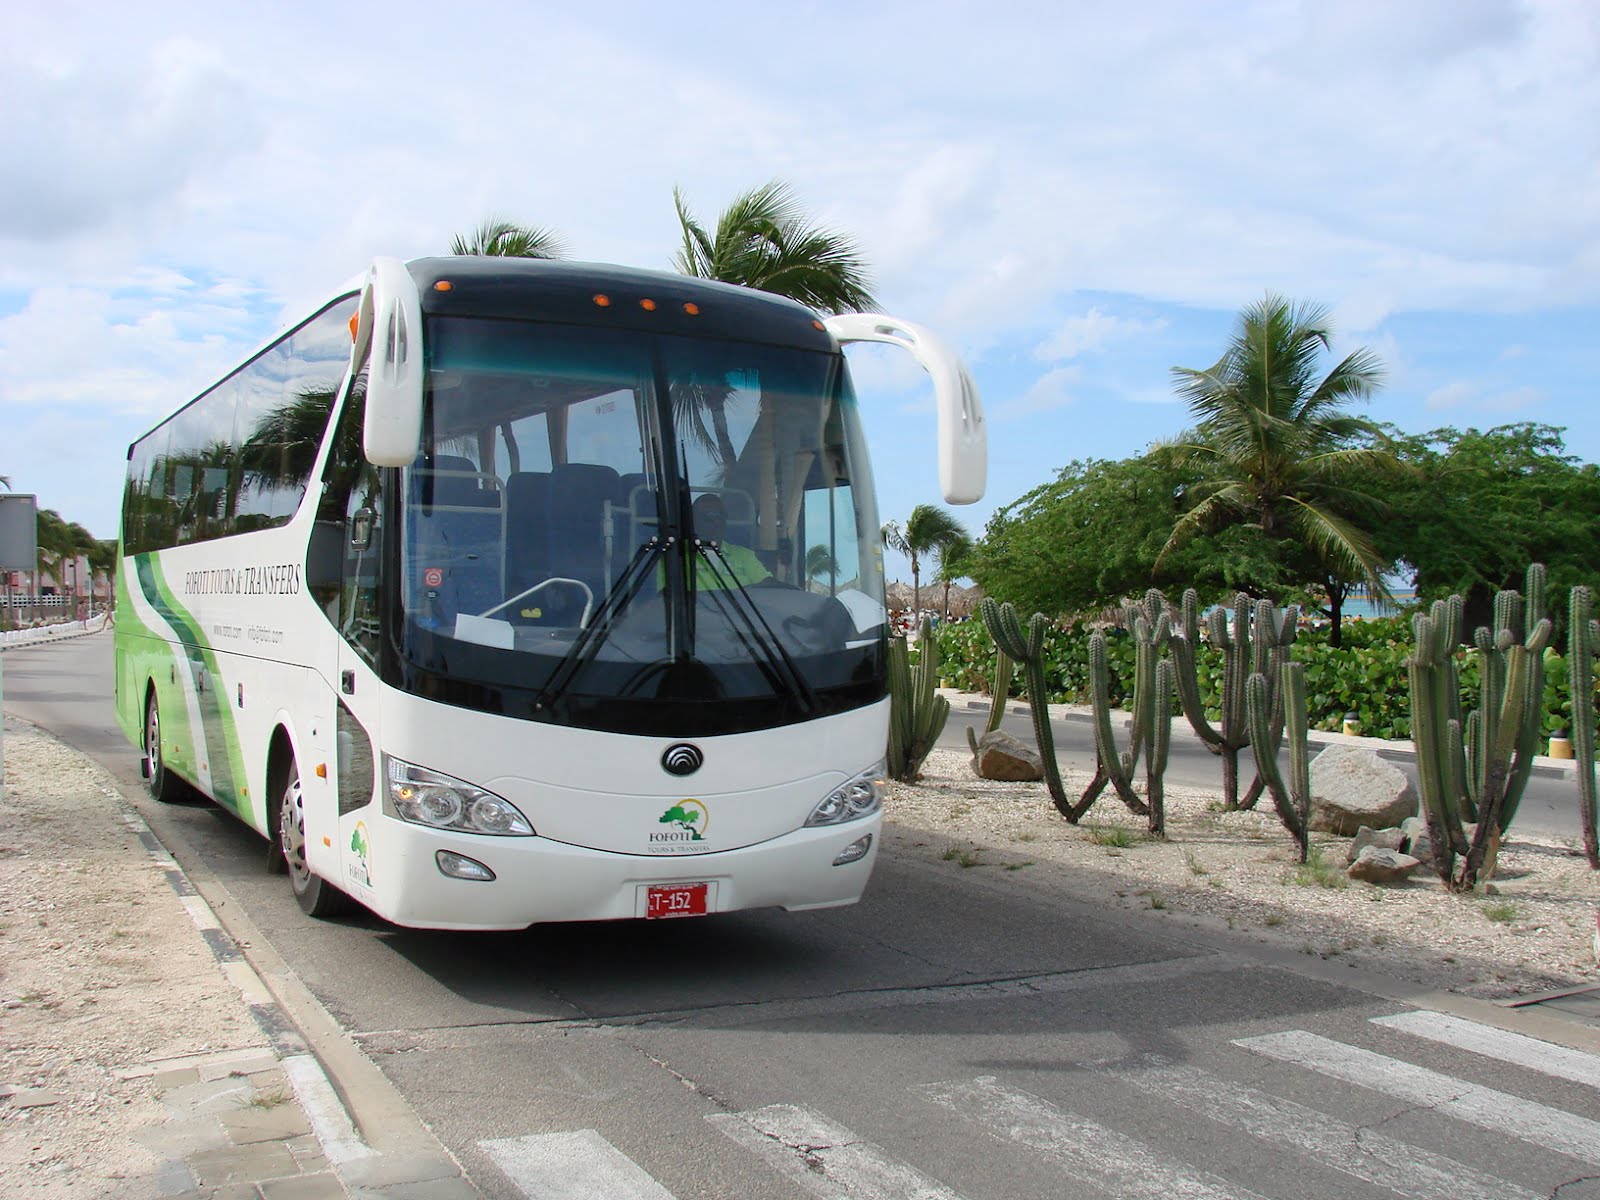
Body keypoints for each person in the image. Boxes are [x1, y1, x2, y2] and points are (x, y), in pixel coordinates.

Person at [661, 492, 772, 589]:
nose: (715, 522)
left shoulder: (745, 556)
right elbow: (664, 598)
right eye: (708, 516)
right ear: (693, 520)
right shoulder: (674, 555)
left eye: (719, 516)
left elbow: (768, 586)